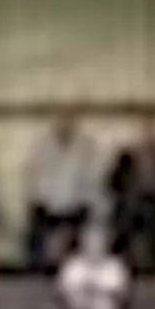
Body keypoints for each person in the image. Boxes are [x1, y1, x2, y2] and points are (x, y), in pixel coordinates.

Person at [23, 115, 100, 271]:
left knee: (87, 225)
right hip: (48, 203)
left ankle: (78, 268)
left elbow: (91, 179)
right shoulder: (42, 146)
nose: (64, 127)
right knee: (35, 226)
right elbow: (34, 177)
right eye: (61, 124)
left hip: (76, 203)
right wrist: (39, 201)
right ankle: (38, 270)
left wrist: (84, 202)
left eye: (68, 124)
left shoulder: (86, 146)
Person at [107, 119, 155, 276]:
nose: (147, 140)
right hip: (132, 202)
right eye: (143, 134)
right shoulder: (126, 159)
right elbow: (113, 184)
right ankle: (133, 262)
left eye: (150, 135)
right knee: (129, 219)